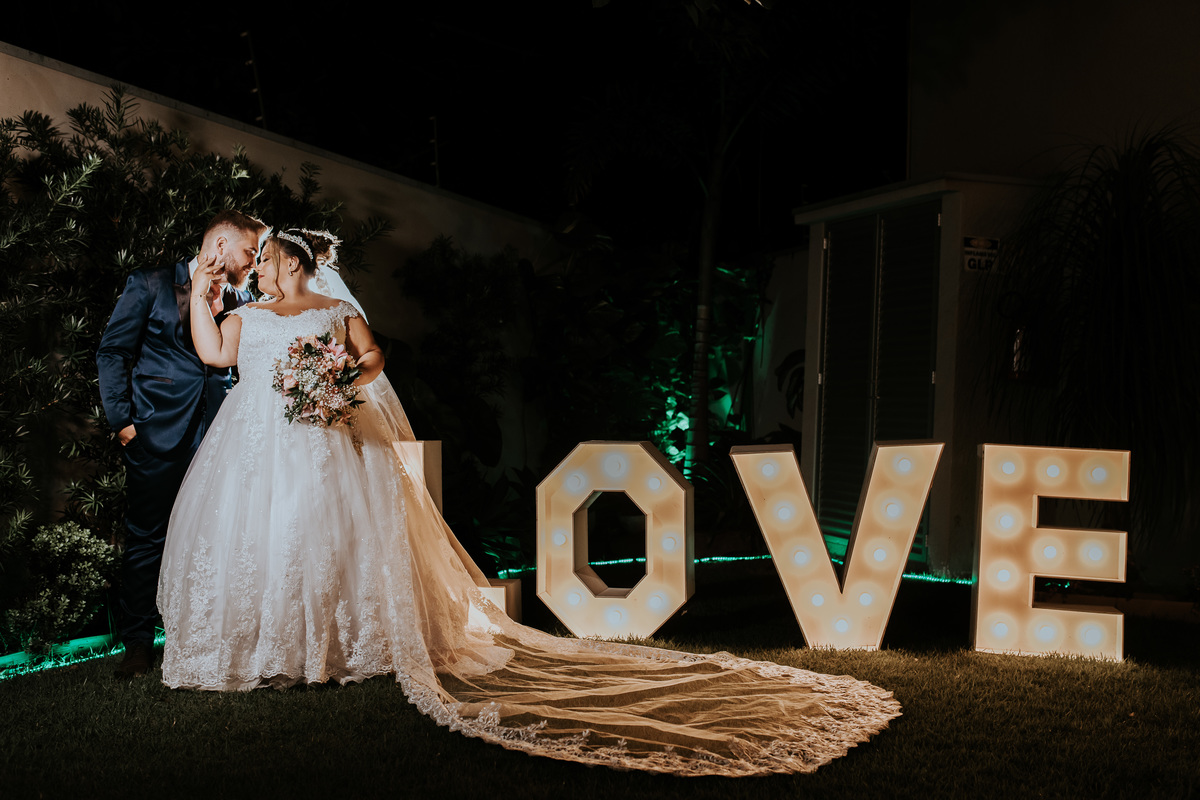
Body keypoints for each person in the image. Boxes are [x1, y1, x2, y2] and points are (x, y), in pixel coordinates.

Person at [157, 227, 902, 776]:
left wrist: (341, 381)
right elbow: (213, 354)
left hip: (327, 438)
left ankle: (331, 647)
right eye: (256, 260)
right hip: (256, 445)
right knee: (266, 538)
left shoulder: (331, 310)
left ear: (293, 260)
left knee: (331, 540)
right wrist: (201, 291)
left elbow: (374, 355)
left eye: (265, 258)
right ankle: (271, 647)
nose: (257, 267)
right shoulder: (246, 318)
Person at [96, 210, 266, 679]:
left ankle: (200, 636)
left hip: (221, 435)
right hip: (156, 432)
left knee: (216, 536)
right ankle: (137, 644)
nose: (254, 263)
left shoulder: (244, 299)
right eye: (250, 252)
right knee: (148, 538)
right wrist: (123, 423)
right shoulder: (150, 283)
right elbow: (113, 352)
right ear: (221, 246)